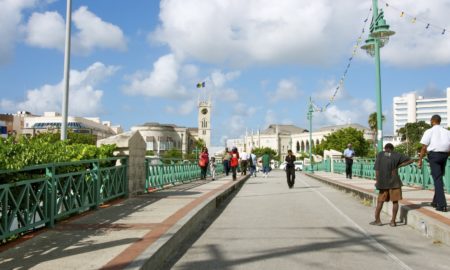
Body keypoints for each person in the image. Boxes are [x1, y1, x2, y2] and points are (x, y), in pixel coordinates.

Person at [370, 143, 413, 227]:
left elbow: (377, 170)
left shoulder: (381, 154)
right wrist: (399, 165)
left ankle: (378, 220)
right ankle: (393, 221)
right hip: (395, 182)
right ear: (392, 149)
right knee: (395, 202)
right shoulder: (397, 155)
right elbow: (410, 160)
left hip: (383, 182)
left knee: (380, 201)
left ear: (385, 148)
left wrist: (377, 181)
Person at [418, 115, 450, 212]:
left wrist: (420, 159)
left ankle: (442, 205)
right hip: (445, 155)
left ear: (432, 121)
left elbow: (424, 147)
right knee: (439, 178)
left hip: (434, 156)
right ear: (440, 121)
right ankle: (435, 201)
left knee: (437, 179)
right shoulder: (447, 132)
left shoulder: (429, 131)